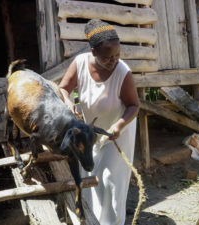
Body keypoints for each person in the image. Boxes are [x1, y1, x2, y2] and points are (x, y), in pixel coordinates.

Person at [59, 19, 139, 225]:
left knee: (112, 182)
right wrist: (68, 101)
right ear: (93, 52)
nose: (114, 60)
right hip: (90, 133)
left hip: (117, 131)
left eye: (117, 55)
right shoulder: (80, 64)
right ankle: (92, 221)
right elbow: (63, 88)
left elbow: (134, 105)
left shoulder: (123, 72)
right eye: (107, 57)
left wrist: (118, 126)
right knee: (91, 177)